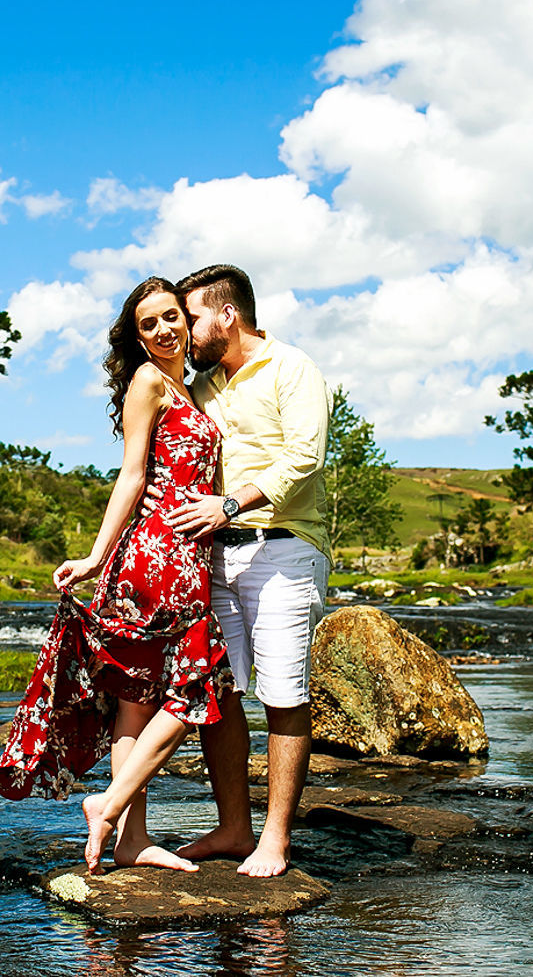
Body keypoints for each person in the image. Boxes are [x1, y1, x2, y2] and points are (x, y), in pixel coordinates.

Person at [0, 276, 234, 876]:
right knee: (195, 689)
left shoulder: (188, 388)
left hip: (184, 555)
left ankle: (131, 839)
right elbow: (133, 475)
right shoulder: (148, 381)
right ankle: (110, 805)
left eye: (172, 318)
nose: (165, 330)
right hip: (159, 558)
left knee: (136, 703)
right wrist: (93, 557)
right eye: (150, 324)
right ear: (136, 338)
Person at [160, 264, 331, 878]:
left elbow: (304, 459)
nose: (183, 329)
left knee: (283, 693)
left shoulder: (294, 369)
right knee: (220, 692)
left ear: (227, 315)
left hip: (282, 549)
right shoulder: (200, 383)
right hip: (212, 554)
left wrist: (231, 503)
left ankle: (276, 840)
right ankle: (234, 828)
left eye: (192, 316)